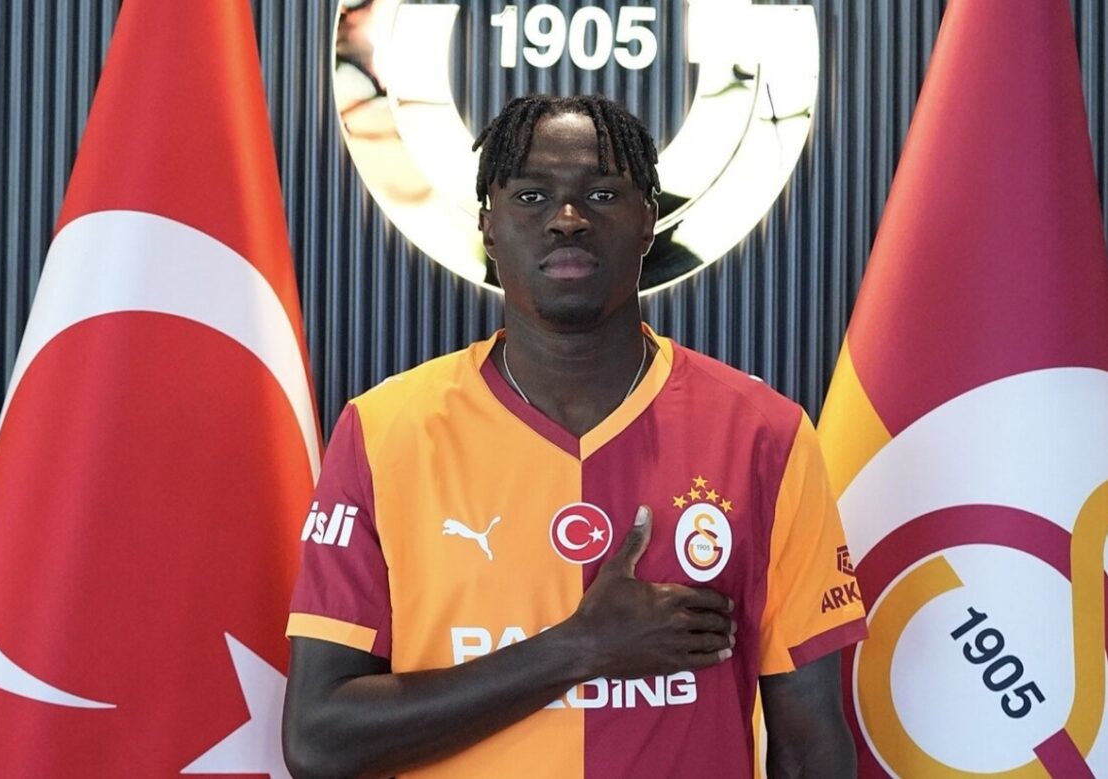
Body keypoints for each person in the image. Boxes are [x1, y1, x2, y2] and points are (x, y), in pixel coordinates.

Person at [282, 94, 867, 778]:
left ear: (648, 221)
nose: (567, 218)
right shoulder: (385, 431)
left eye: (602, 194)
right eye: (531, 196)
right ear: (488, 226)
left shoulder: (764, 433)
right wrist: (580, 648)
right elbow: (319, 741)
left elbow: (810, 746)